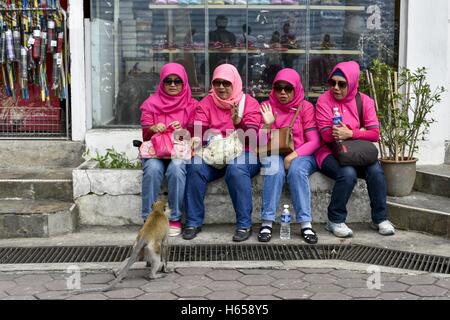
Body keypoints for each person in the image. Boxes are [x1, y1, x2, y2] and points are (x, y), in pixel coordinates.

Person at [315, 61, 395, 238]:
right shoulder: (323, 101)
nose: (335, 87)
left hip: (356, 152)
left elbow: (375, 134)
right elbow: (328, 136)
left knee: (376, 171)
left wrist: (349, 132)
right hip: (328, 152)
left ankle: (380, 219)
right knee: (348, 173)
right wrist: (360, 131)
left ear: (351, 84)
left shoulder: (365, 101)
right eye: (332, 82)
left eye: (341, 84)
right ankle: (335, 220)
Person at [183, 64, 261, 242]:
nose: (221, 87)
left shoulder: (248, 103)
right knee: (195, 166)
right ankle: (193, 222)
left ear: (235, 83)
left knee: (236, 168)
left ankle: (244, 224)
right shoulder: (207, 103)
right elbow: (199, 130)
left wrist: (239, 122)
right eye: (217, 82)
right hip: (215, 154)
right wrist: (196, 139)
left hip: (245, 151)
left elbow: (253, 138)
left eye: (226, 83)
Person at [258, 68, 321, 244]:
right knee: (273, 168)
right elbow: (260, 143)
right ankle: (267, 223)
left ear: (296, 88)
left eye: (288, 88)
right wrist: (267, 125)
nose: (283, 93)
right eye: (278, 88)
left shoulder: (305, 107)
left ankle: (306, 224)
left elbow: (314, 141)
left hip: (302, 153)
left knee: (296, 171)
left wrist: (292, 156)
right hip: (274, 152)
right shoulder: (267, 107)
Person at [139, 63, 197, 237]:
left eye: (177, 81)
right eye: (168, 81)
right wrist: (153, 128)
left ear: (184, 83)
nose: (173, 85)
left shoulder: (192, 105)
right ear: (162, 83)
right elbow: (145, 135)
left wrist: (184, 128)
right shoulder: (150, 104)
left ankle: (175, 218)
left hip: (178, 152)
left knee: (177, 169)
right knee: (152, 169)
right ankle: (148, 219)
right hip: (156, 152)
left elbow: (196, 135)